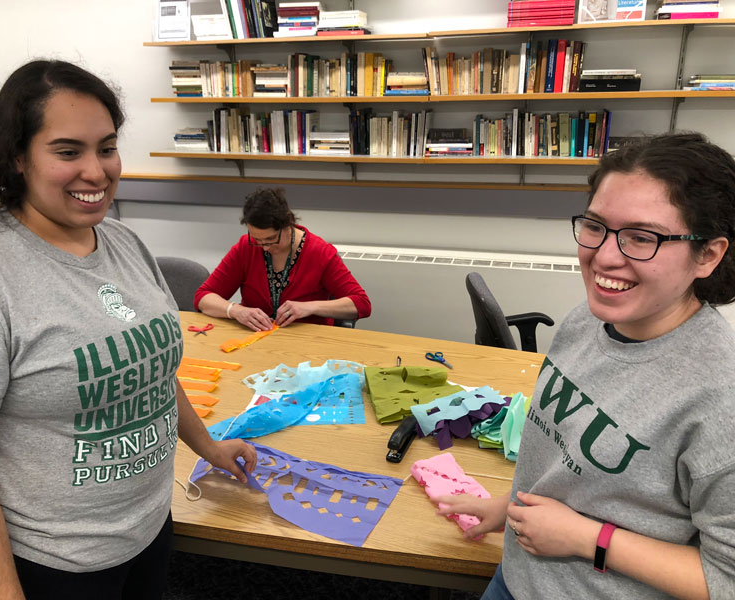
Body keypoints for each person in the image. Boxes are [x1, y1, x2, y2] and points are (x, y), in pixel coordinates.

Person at [0, 60, 256, 600]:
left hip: (147, 528)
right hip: (50, 564)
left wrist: (208, 446)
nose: (97, 170)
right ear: (17, 158)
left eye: (106, 147)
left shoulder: (124, 243)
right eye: (68, 152)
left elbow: (152, 373)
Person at [437, 132, 735, 599]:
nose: (605, 256)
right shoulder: (588, 319)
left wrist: (588, 539)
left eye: (643, 237)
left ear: (708, 255)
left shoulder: (722, 397)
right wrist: (510, 505)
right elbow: (568, 459)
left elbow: (726, 579)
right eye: (595, 226)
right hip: (516, 575)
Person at [195, 188, 371, 331]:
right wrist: (235, 311)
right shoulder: (246, 248)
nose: (264, 247)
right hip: (254, 341)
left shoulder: (319, 252)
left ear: (288, 225)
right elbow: (203, 297)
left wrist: (309, 307)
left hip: (307, 343)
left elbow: (361, 303)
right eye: (257, 239)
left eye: (271, 240)